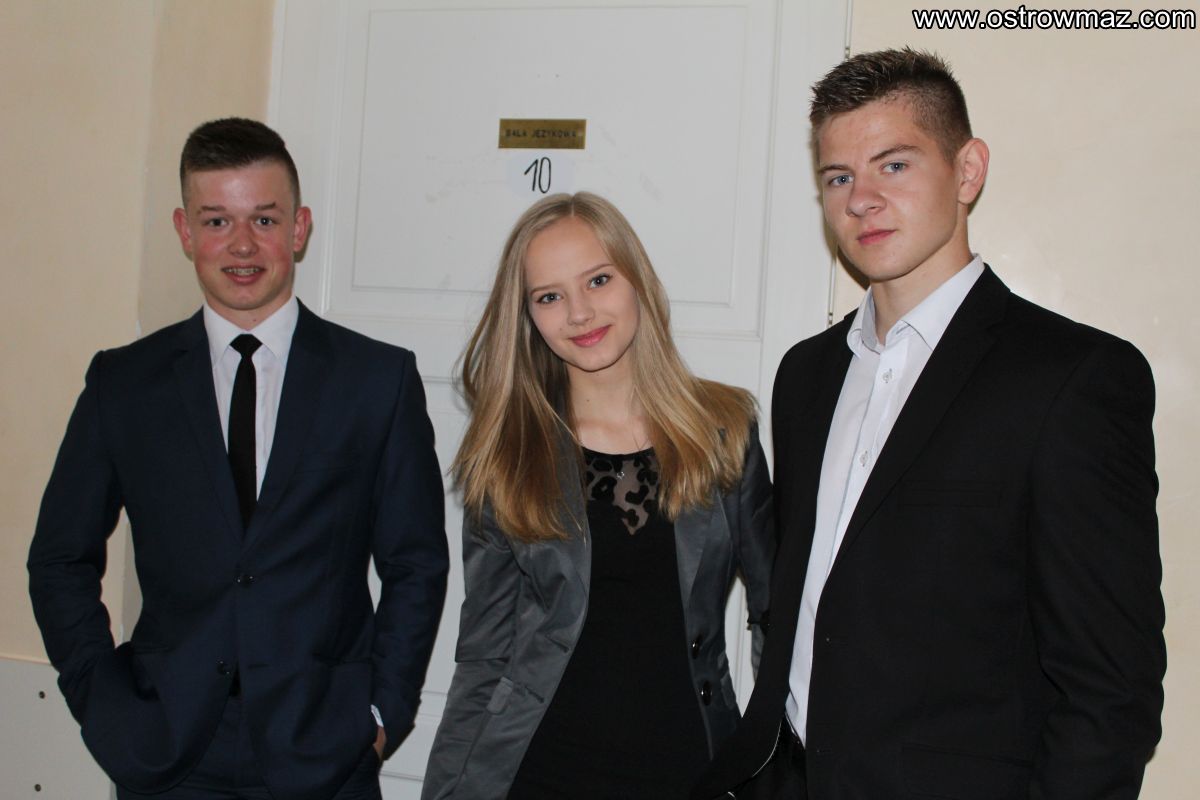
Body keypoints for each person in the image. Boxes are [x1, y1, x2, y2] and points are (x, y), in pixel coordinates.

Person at [692, 48, 1165, 800]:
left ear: (967, 171)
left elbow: (1111, 692)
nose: (862, 200)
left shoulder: (1071, 378)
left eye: (895, 165)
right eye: (838, 177)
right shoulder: (805, 375)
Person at [28, 118, 449, 800]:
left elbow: (416, 564)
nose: (243, 245)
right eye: (217, 221)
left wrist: (381, 714)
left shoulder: (377, 381)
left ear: (299, 229)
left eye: (265, 219)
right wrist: (98, 698)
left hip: (326, 750)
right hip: (169, 753)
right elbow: (58, 559)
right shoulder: (123, 384)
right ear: (185, 231)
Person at [421, 192, 774, 799]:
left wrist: (778, 760)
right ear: (528, 316)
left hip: (688, 769)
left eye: (598, 280)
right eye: (549, 297)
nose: (580, 313)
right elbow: (484, 657)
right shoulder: (508, 454)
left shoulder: (722, 430)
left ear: (638, 281)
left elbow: (773, 615)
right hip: (539, 773)